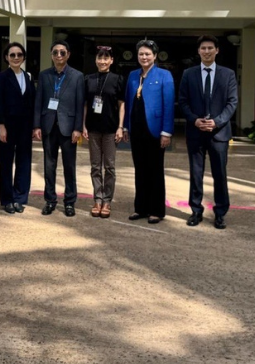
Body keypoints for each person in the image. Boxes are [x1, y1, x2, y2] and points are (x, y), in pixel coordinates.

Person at [178, 34, 238, 230]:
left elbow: (232, 102)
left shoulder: (227, 74)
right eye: (203, 48)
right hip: (196, 132)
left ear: (217, 50)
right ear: (198, 51)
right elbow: (183, 101)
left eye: (210, 48)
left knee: (219, 174)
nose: (206, 51)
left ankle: (220, 213)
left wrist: (216, 122)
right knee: (196, 174)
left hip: (219, 133)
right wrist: (195, 120)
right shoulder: (189, 74)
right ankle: (196, 210)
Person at [124, 39, 174, 224]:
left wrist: (166, 132)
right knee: (140, 169)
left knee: (155, 170)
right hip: (136, 129)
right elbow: (128, 102)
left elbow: (168, 105)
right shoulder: (132, 75)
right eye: (141, 54)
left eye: (147, 54)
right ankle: (141, 208)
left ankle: (156, 210)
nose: (144, 57)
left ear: (154, 56)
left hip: (155, 130)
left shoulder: (164, 75)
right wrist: (126, 126)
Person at [33, 40, 84, 217]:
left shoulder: (77, 76)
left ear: (68, 54)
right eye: (55, 52)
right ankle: (50, 200)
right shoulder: (44, 75)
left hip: (69, 128)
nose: (59, 55)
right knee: (49, 165)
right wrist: (37, 125)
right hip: (48, 126)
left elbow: (79, 104)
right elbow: (38, 102)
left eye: (62, 52)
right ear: (51, 55)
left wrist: (78, 128)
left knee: (69, 166)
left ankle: (70, 202)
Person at [82, 46, 125, 218]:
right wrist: (83, 125)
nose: (102, 61)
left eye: (106, 58)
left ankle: (107, 200)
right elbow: (85, 104)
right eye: (100, 58)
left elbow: (122, 104)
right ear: (95, 60)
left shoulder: (117, 79)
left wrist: (120, 127)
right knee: (95, 167)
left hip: (110, 129)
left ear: (112, 61)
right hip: (92, 128)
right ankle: (97, 199)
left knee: (109, 167)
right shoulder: (88, 79)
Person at [0, 41, 35, 214]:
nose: (16, 58)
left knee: (24, 162)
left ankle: (20, 197)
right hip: (8, 126)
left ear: (23, 57)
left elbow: (32, 102)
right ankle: (7, 199)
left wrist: (34, 126)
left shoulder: (28, 77)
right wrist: (1, 125)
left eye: (19, 55)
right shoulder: (3, 77)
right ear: (7, 58)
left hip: (25, 126)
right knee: (6, 162)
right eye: (12, 55)